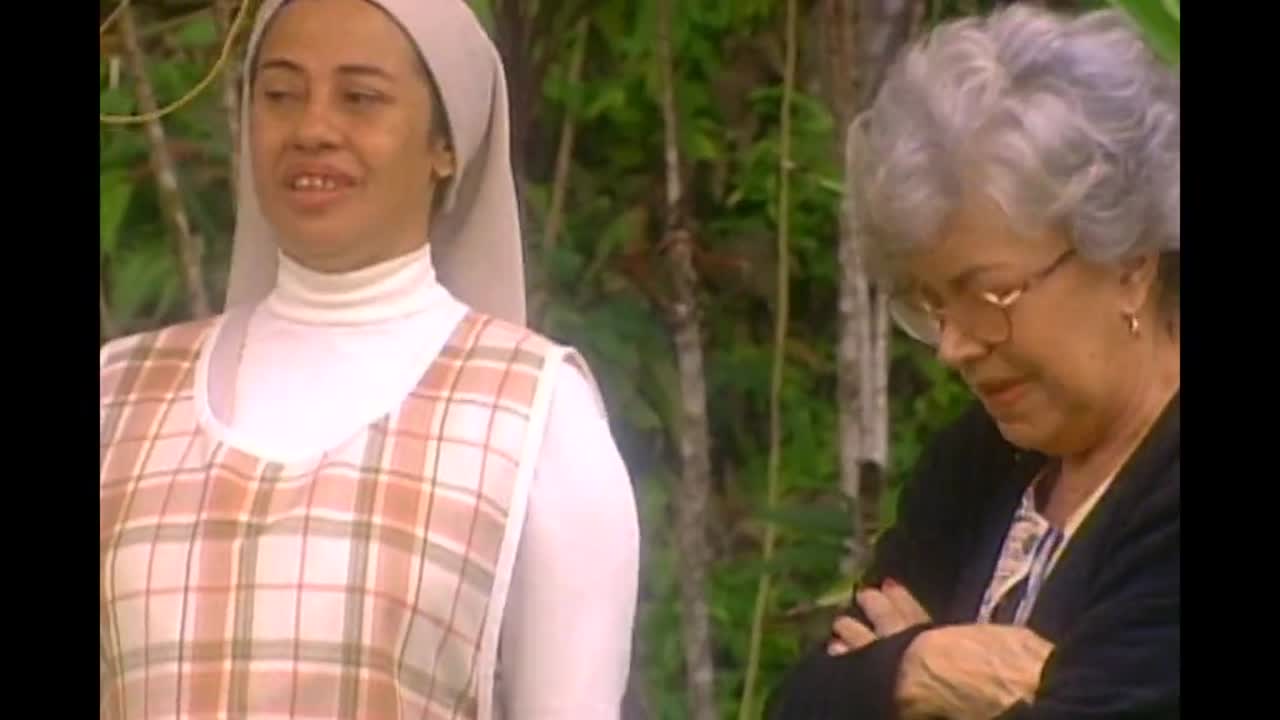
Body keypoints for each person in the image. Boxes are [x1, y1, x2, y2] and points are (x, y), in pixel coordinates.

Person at [99, 1, 640, 718]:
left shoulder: (536, 418)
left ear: (445, 144)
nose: (313, 129)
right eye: (281, 94)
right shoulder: (119, 395)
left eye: (360, 97)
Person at [768, 6, 1179, 719]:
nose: (953, 347)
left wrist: (891, 674)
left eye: (989, 294)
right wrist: (921, 666)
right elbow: (801, 703)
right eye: (932, 304)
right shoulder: (979, 462)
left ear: (1129, 264)